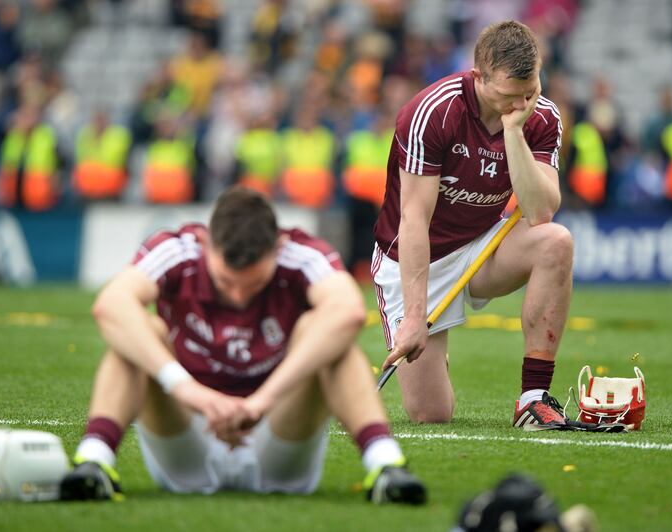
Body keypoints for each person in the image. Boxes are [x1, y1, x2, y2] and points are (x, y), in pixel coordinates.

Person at [61, 186, 426, 504]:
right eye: (225, 281)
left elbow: (347, 312)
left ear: (278, 247)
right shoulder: (179, 249)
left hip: (278, 437)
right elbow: (110, 305)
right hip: (186, 435)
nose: (237, 296)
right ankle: (93, 463)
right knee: (138, 333)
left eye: (252, 284)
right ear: (205, 243)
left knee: (331, 337)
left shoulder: (299, 252)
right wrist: (192, 392)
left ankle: (385, 466)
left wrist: (262, 402)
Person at [372, 21, 573, 428]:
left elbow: (539, 212)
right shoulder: (432, 111)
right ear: (479, 76)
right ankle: (430, 343)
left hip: (483, 245)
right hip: (415, 258)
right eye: (509, 94)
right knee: (432, 415)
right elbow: (413, 221)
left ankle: (533, 399)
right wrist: (414, 317)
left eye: (529, 90)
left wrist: (515, 132)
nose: (520, 102)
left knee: (556, 242)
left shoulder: (541, 116)